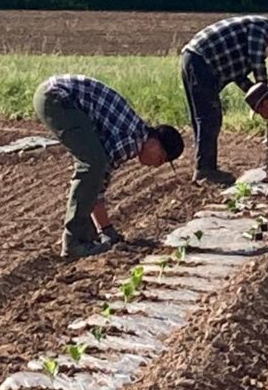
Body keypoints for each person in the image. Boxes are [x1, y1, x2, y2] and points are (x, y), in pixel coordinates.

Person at [33, 74, 184, 259]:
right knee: (92, 165)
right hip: (58, 97)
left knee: (93, 166)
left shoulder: (135, 132)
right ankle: (75, 242)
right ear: (155, 143)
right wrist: (107, 229)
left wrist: (106, 229)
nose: (155, 166)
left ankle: (86, 237)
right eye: (160, 159)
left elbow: (97, 182)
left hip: (54, 94)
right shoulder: (133, 140)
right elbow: (97, 177)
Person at [181, 15, 268, 185]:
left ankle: (203, 168)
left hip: (194, 60)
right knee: (209, 119)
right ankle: (205, 171)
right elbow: (257, 59)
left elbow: (238, 76)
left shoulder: (244, 42)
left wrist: (255, 96)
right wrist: (264, 91)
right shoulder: (261, 27)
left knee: (203, 119)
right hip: (201, 62)